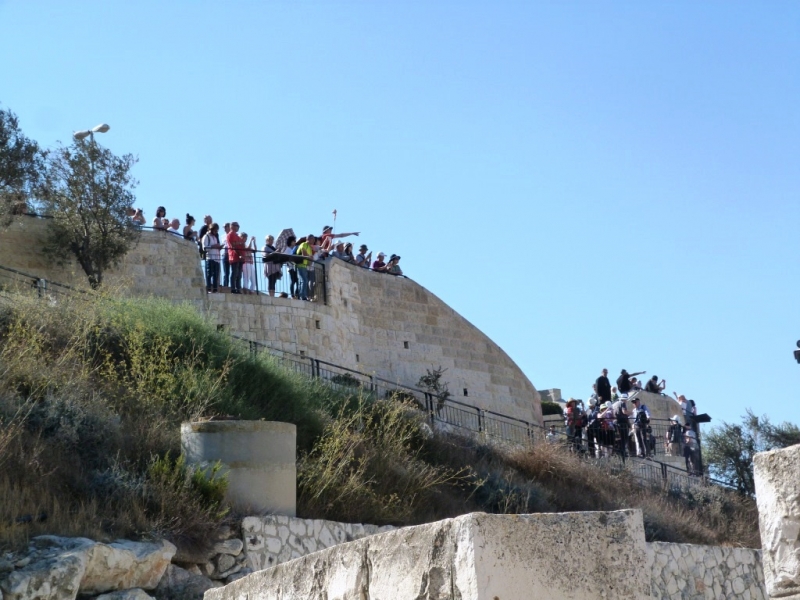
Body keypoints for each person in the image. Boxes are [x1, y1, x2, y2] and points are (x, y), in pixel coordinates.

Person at [201, 223, 222, 293]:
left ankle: (215, 289)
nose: (216, 232)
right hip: (210, 258)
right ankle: (209, 288)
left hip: (216, 259)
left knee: (216, 275)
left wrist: (219, 247)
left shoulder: (215, 237)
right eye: (215, 230)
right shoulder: (206, 236)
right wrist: (214, 246)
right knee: (209, 274)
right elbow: (205, 248)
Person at [296, 234, 316, 301]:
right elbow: (304, 254)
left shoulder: (309, 248)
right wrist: (310, 257)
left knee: (305, 281)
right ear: (308, 239)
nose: (314, 241)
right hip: (300, 265)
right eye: (313, 239)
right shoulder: (303, 244)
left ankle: (302, 295)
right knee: (304, 280)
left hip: (304, 266)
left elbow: (309, 260)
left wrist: (311, 259)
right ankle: (302, 296)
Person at [226, 222, 244, 294]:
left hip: (239, 257)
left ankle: (238, 288)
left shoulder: (236, 235)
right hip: (234, 256)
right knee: (234, 273)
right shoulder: (231, 234)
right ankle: (233, 288)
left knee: (239, 274)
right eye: (237, 226)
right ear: (232, 226)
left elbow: (241, 244)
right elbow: (233, 245)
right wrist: (239, 254)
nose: (238, 227)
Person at [221, 223, 231, 288]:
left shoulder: (233, 235)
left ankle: (234, 286)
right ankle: (225, 286)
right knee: (226, 272)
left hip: (231, 254)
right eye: (224, 227)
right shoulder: (222, 236)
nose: (224, 228)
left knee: (233, 272)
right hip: (225, 254)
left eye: (226, 227)